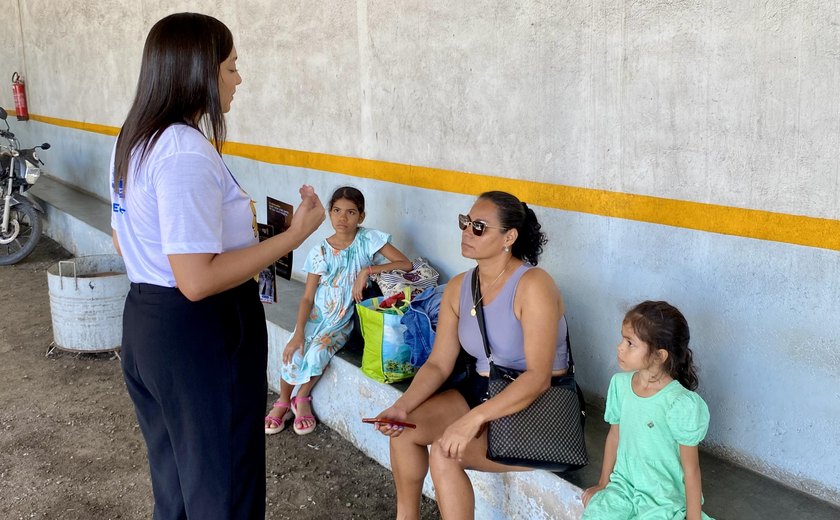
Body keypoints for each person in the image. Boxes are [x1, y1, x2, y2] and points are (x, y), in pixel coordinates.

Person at [109, 13, 325, 520]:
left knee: (180, 483)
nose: (237, 79)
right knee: (223, 487)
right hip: (200, 335)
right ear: (198, 72)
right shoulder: (183, 150)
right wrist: (293, 236)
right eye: (231, 66)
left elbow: (126, 241)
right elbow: (197, 280)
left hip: (148, 321)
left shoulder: (134, 140)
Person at [373, 191, 570, 520]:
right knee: (404, 430)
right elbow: (438, 363)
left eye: (479, 227)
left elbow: (538, 377)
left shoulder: (534, 284)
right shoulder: (459, 287)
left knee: (446, 453)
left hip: (537, 406)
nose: (466, 231)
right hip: (481, 392)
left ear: (509, 237)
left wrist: (472, 421)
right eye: (466, 222)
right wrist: (401, 406)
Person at [264, 186, 412, 435]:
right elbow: (307, 297)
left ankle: (301, 399)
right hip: (316, 316)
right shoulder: (320, 251)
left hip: (342, 319)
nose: (343, 218)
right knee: (295, 349)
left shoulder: (368, 240)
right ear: (330, 213)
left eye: (351, 212)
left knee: (319, 351)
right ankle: (282, 401)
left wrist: (367, 271)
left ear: (361, 216)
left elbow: (405, 263)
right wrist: (299, 331)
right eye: (337, 211)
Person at [581, 301, 713, 520]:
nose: (620, 347)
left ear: (659, 356)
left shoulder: (680, 403)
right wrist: (604, 484)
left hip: (662, 494)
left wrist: (693, 518)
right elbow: (614, 436)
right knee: (596, 513)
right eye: (622, 339)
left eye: (630, 343)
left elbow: (691, 469)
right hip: (623, 485)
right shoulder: (620, 385)